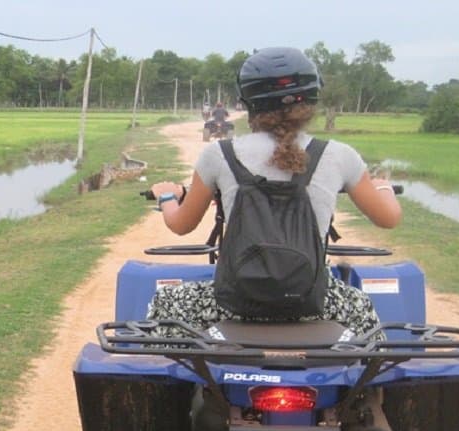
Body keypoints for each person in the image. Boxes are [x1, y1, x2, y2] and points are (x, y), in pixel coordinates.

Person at [149, 47, 401, 336]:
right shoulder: (339, 156)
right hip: (315, 303)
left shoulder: (218, 155)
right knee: (369, 329)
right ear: (311, 100)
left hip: (234, 303)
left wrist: (167, 197)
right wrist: (383, 188)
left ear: (248, 102)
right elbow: (388, 218)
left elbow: (181, 224)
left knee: (165, 305)